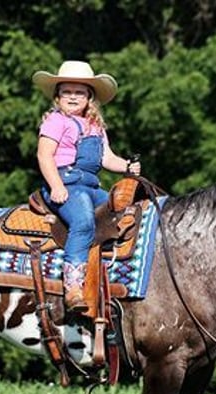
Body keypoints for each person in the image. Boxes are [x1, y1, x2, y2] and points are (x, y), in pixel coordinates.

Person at [33, 60, 141, 313]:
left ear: (89, 97)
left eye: (79, 92)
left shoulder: (95, 126)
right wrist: (56, 186)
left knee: (127, 212)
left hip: (91, 186)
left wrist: (126, 166)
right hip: (65, 183)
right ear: (57, 97)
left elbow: (106, 158)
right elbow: (44, 155)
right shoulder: (55, 122)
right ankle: (72, 287)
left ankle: (116, 273)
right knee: (83, 223)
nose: (72, 97)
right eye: (66, 92)